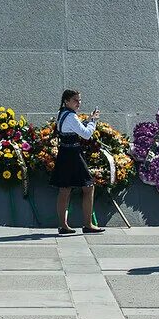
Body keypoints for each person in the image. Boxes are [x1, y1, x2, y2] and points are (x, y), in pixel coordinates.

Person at [51, 89, 105, 235]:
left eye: (79, 100)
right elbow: (86, 135)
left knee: (64, 190)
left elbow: (74, 127)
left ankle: (63, 225)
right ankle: (87, 224)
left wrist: (87, 120)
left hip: (64, 153)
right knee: (88, 187)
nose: (78, 103)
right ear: (66, 101)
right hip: (73, 155)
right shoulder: (71, 117)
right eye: (75, 100)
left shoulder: (61, 113)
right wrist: (93, 121)